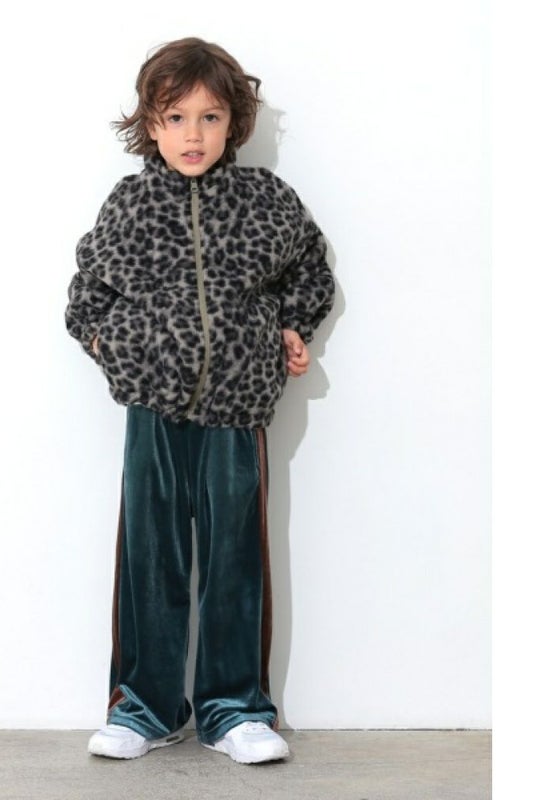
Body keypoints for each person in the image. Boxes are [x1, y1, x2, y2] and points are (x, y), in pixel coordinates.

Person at [65, 37, 334, 765]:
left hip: (237, 407)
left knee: (232, 560)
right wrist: (112, 345)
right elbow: (87, 292)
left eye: (210, 117)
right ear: (149, 124)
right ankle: (145, 707)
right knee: (150, 558)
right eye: (176, 117)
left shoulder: (265, 200)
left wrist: (292, 327)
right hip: (152, 407)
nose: (193, 134)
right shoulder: (131, 203)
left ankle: (234, 709)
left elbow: (310, 270)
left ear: (233, 123)